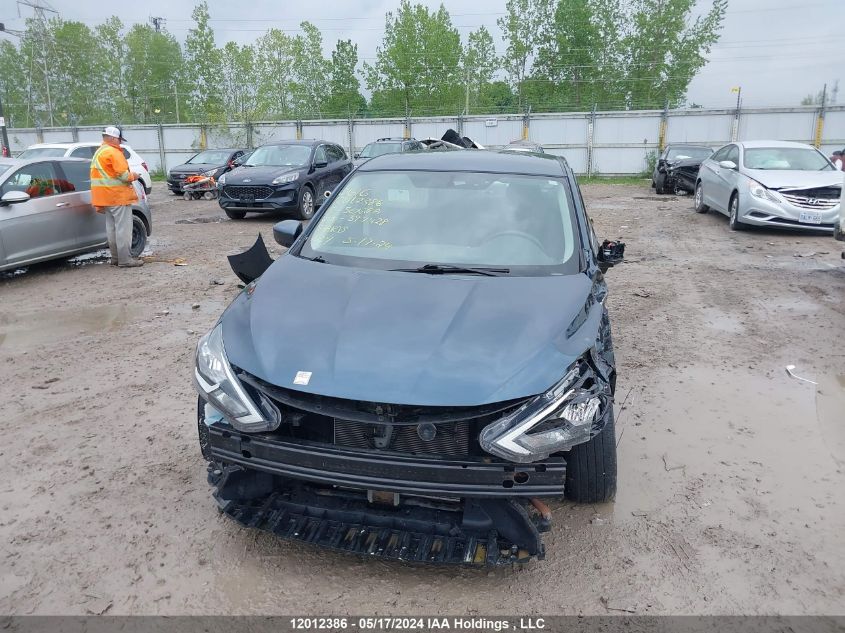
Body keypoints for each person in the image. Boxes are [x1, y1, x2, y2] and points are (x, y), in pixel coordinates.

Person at [90, 126, 143, 267]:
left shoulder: (99, 152)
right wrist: (135, 176)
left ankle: (115, 258)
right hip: (117, 196)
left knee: (112, 228)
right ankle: (125, 260)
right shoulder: (114, 152)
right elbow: (124, 176)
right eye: (119, 140)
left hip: (105, 197)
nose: (120, 143)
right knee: (123, 229)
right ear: (113, 138)